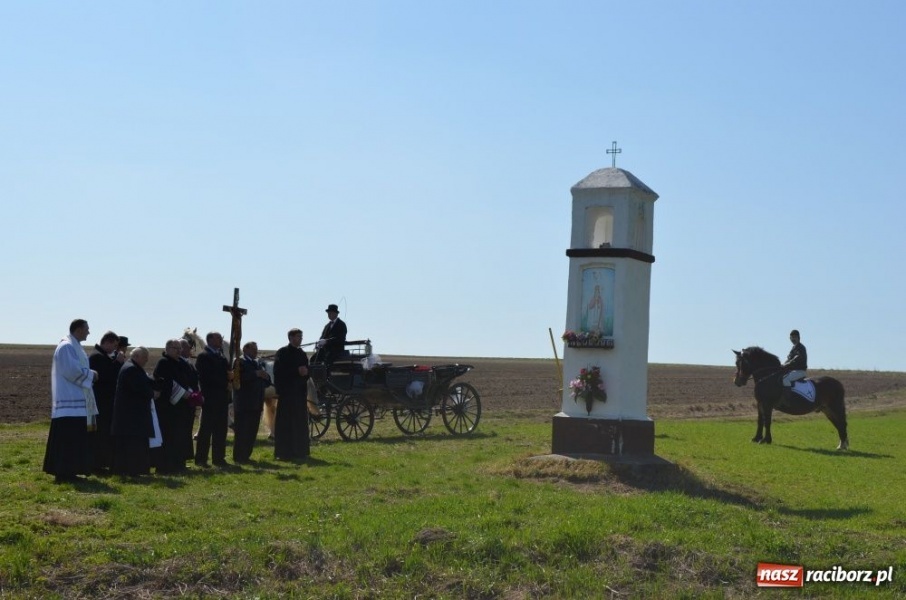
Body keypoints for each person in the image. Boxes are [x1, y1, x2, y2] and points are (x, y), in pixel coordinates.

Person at [43, 319, 99, 483]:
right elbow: (71, 371)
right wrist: (91, 374)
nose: (89, 332)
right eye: (87, 329)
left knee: (75, 441)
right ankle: (64, 473)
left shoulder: (76, 347)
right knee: (68, 441)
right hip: (70, 403)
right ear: (79, 329)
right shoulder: (66, 347)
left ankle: (71, 471)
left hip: (77, 404)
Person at [110, 347, 158, 477]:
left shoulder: (134, 367)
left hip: (132, 416)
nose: (147, 360)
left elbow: (146, 381)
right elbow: (139, 388)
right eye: (145, 357)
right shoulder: (131, 369)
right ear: (136, 356)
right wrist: (152, 393)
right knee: (132, 445)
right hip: (130, 416)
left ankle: (134, 470)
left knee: (135, 444)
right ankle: (132, 470)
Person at [151, 339, 195, 473]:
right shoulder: (163, 362)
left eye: (179, 348)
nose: (179, 351)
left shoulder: (182, 362)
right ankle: (165, 466)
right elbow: (165, 382)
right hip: (168, 407)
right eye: (176, 348)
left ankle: (179, 463)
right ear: (168, 348)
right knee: (169, 436)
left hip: (182, 407)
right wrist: (182, 393)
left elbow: (191, 378)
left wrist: (193, 392)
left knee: (180, 436)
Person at [88, 330, 125, 473]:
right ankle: (97, 464)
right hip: (101, 402)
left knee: (105, 433)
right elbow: (106, 377)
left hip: (105, 402)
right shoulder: (97, 357)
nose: (115, 349)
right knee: (100, 434)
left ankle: (103, 462)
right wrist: (118, 364)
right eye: (114, 346)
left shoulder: (103, 356)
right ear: (107, 342)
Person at [194, 331, 231, 467]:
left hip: (222, 398)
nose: (221, 340)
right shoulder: (204, 357)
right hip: (210, 397)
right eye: (218, 338)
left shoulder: (221, 356)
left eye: (221, 338)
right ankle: (201, 459)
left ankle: (219, 458)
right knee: (206, 430)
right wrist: (224, 380)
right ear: (209, 340)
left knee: (221, 430)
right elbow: (206, 377)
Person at [273, 328, 310, 460]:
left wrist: (306, 373)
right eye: (298, 336)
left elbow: (307, 370)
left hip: (299, 394)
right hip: (287, 393)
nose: (300, 339)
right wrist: (296, 371)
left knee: (299, 423)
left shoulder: (302, 354)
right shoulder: (283, 352)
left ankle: (300, 451)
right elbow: (279, 372)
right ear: (290, 338)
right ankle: (284, 452)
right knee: (285, 423)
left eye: (301, 336)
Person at [232, 341, 271, 463]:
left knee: (252, 432)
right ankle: (239, 456)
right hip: (244, 403)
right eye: (253, 349)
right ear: (245, 349)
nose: (256, 351)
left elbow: (266, 381)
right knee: (242, 431)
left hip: (256, 402)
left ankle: (246, 455)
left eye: (256, 349)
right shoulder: (239, 362)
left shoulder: (257, 363)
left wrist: (266, 377)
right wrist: (255, 374)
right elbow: (239, 379)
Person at [178, 338, 200, 463]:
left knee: (187, 430)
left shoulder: (189, 363)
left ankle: (185, 457)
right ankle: (179, 459)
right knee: (181, 432)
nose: (189, 350)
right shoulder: (178, 363)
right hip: (181, 401)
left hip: (190, 402)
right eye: (187, 347)